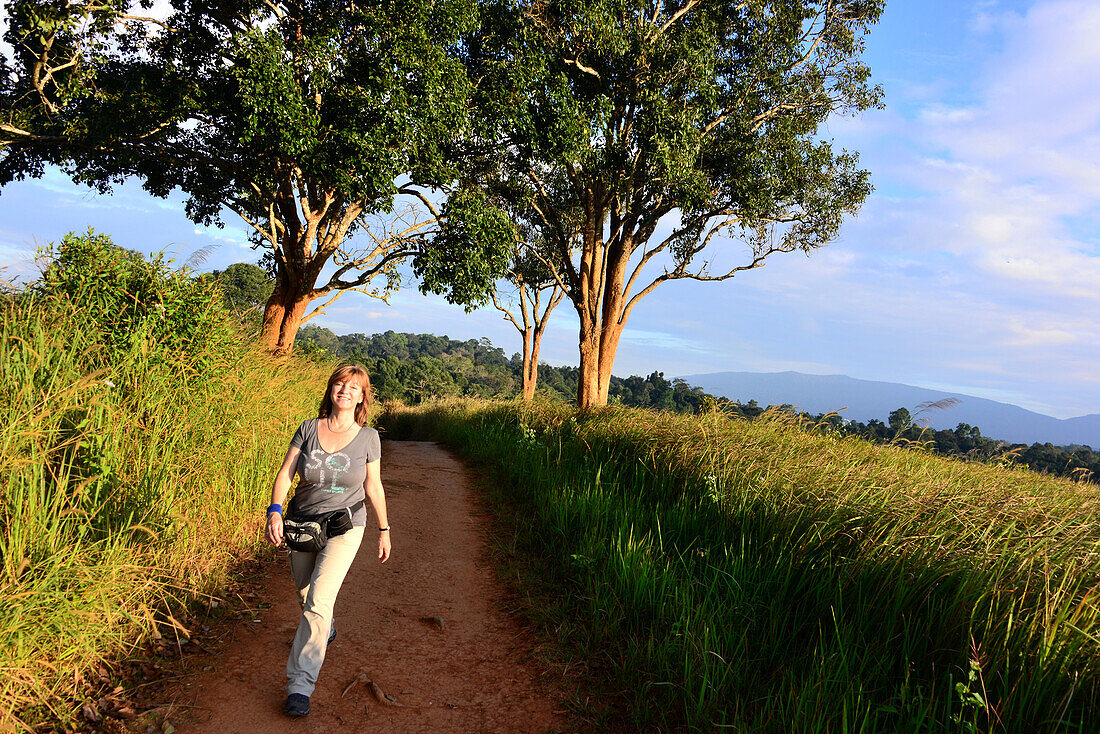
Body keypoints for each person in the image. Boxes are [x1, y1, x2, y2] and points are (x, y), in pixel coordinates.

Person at [264, 364, 391, 718]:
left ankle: (300, 685)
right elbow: (287, 471)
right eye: (340, 384)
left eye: (354, 387)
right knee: (306, 595)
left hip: (345, 526)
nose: (345, 391)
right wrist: (275, 510)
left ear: (363, 396)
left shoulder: (369, 438)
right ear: (331, 390)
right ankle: (326, 627)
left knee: (319, 600)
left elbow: (373, 486)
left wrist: (384, 529)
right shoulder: (308, 428)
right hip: (302, 523)